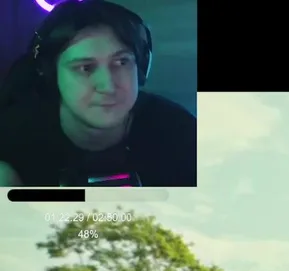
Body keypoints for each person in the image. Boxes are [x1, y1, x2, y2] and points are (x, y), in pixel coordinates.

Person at [0, 0, 196, 187]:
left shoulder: (181, 135)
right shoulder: (11, 139)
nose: (108, 86)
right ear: (52, 75)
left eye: (121, 62)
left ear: (141, 67)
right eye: (85, 68)